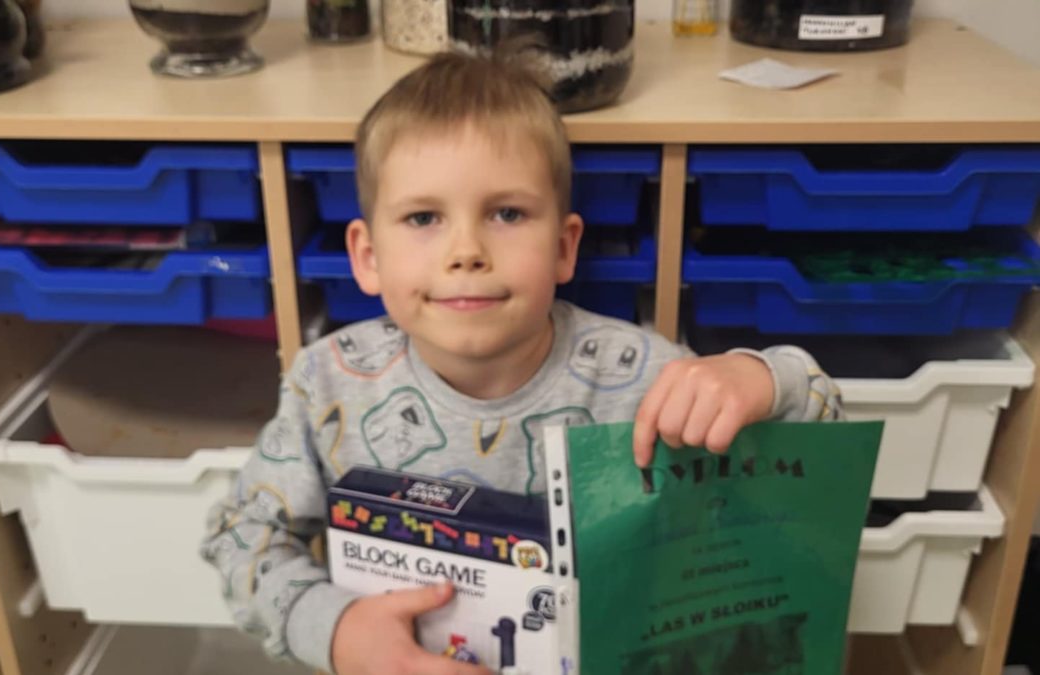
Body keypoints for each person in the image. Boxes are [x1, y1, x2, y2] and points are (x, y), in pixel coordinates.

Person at [201, 49, 841, 675]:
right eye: (423, 217)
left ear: (563, 247)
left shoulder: (644, 376)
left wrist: (763, 379)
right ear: (368, 257)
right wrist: (338, 634)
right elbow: (240, 536)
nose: (467, 251)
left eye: (507, 213)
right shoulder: (327, 382)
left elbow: (823, 440)